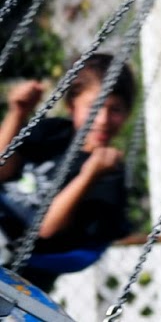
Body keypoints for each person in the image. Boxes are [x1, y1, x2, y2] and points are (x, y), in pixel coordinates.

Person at [0, 53, 137, 292]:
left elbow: (46, 227)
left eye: (115, 109)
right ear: (72, 105)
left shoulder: (109, 174)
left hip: (21, 272)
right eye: (94, 107)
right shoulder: (52, 131)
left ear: (126, 114)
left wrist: (88, 176)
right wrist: (18, 113)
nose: (103, 119)